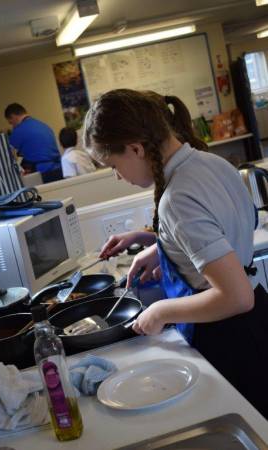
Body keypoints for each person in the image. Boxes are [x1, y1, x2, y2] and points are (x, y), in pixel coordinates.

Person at [83, 88, 268, 419]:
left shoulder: (177, 198)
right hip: (260, 318)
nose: (117, 176)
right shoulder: (211, 162)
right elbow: (221, 231)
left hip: (230, 333)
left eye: (113, 165)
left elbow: (237, 297)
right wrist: (161, 246)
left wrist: (161, 311)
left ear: (136, 148)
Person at [4, 103, 63, 183]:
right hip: (60, 169)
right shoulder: (44, 126)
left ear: (14, 117)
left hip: (43, 173)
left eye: (11, 123)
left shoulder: (18, 131)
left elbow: (7, 155)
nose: (12, 126)